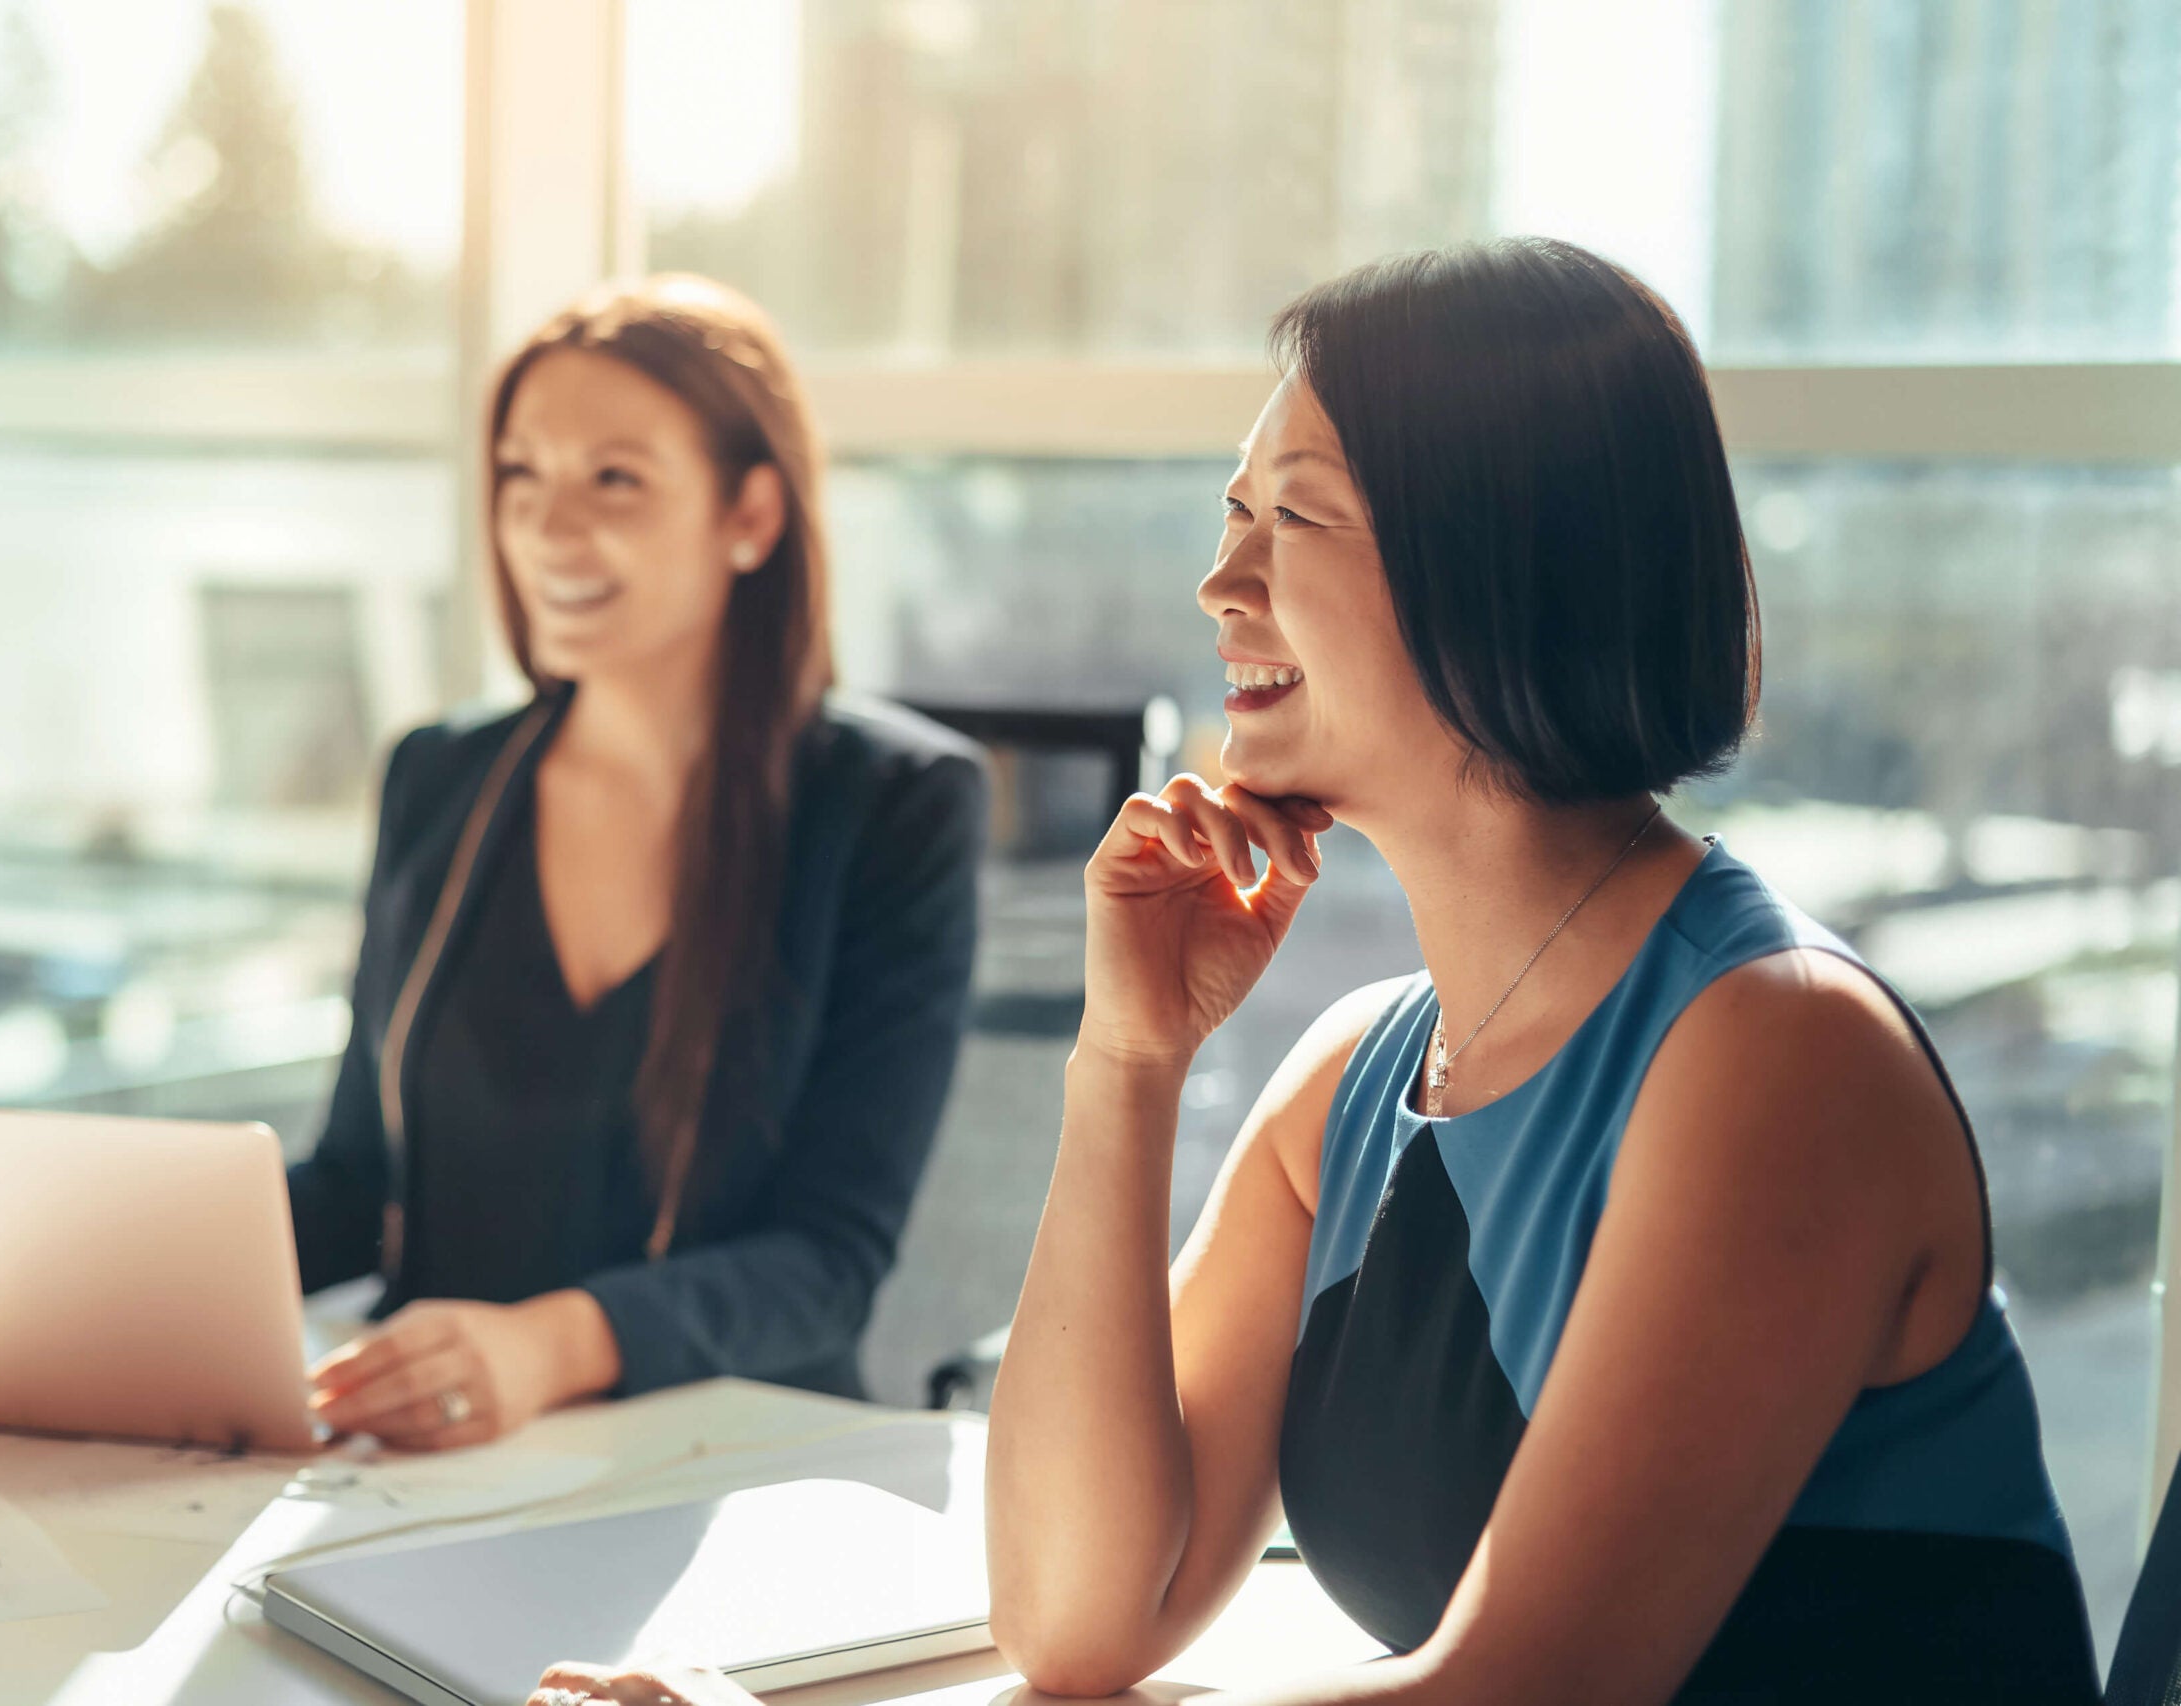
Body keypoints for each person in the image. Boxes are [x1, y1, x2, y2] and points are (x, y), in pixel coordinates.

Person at [531, 239, 2096, 1706]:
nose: (1223, 583)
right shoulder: (1361, 1078)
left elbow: (1513, 1693)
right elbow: (1079, 1617)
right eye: (1231, 516)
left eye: (1295, 516)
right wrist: (1127, 1057)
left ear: (1502, 558)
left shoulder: (1780, 1053)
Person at [289, 275, 988, 1449]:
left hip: (727, 1465)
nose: (550, 529)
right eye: (521, 476)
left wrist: (543, 1346)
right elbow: (363, 1183)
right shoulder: (438, 779)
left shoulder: (893, 808)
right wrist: (129, 1258)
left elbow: (831, 1260)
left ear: (750, 516)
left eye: (615, 480)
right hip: (433, 1453)